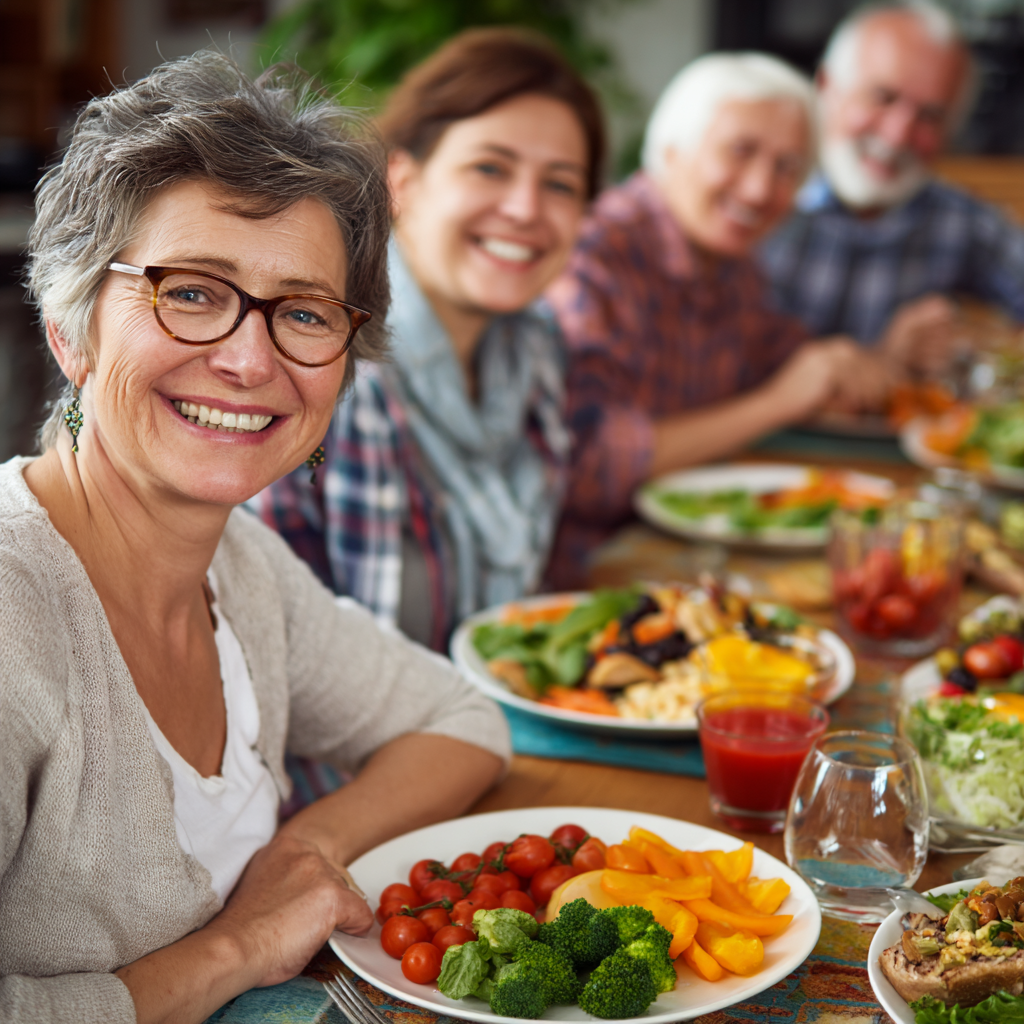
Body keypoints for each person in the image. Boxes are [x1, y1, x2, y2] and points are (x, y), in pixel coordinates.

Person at [0, 53, 510, 1024]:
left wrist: (304, 852)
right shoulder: (9, 615)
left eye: (305, 313)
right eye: (191, 290)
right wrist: (235, 947)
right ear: (72, 329)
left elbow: (463, 720)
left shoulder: (242, 569)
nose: (247, 358)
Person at [252, 28, 603, 649]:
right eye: (489, 167)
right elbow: (315, 661)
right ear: (403, 182)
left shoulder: (536, 348)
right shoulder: (341, 360)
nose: (525, 208)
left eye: (560, 184)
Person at [545, 53, 889, 588]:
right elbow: (588, 468)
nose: (759, 189)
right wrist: (778, 402)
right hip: (590, 576)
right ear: (670, 149)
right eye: (739, 151)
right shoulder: (591, 260)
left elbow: (789, 356)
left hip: (697, 558)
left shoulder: (733, 261)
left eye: (787, 168)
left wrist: (862, 361)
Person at [761, 0, 1024, 374]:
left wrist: (980, 346)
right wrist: (884, 360)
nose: (898, 135)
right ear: (826, 85)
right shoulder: (754, 201)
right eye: (883, 97)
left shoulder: (963, 222)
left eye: (930, 116)